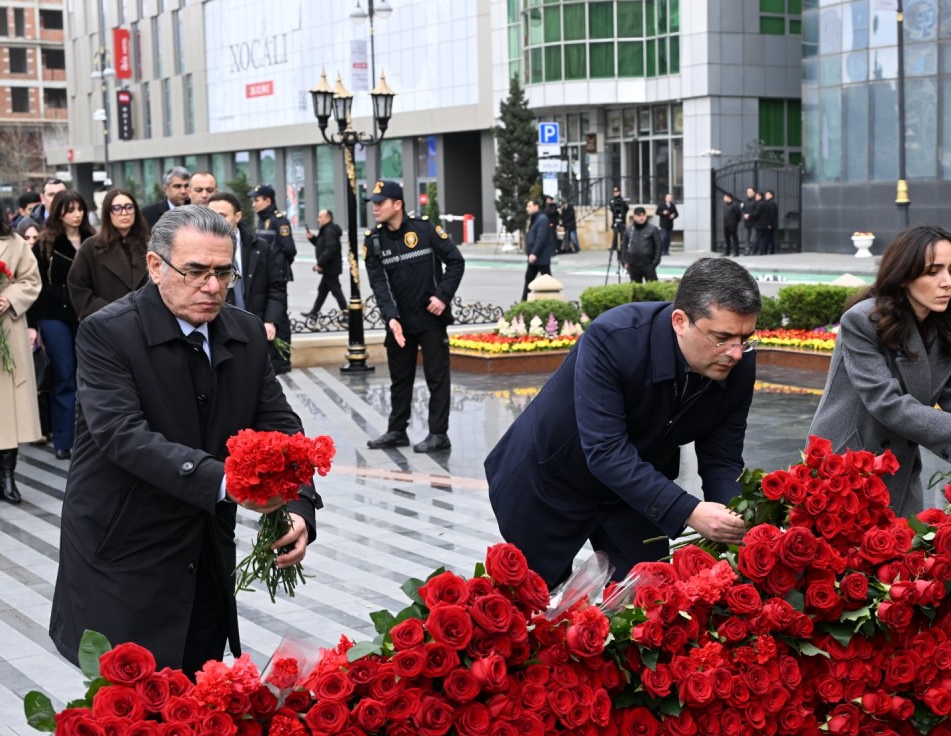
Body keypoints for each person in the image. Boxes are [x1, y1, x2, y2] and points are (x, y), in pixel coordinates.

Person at [48, 205, 321, 677]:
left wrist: (297, 504)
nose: (212, 287)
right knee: (126, 723)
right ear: (156, 266)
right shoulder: (108, 333)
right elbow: (122, 434)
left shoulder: (246, 331)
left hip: (205, 555)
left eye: (223, 272)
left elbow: (280, 424)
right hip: (125, 554)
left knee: (199, 708)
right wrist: (229, 483)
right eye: (195, 271)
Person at [485, 258, 760, 586]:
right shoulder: (614, 338)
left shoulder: (738, 363)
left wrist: (735, 521)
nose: (736, 352)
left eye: (745, 338)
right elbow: (606, 451)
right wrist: (691, 512)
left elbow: (722, 460)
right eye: (723, 337)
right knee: (538, 611)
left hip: (634, 492)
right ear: (680, 321)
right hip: (547, 483)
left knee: (651, 603)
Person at [808, 225, 951, 518]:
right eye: (933, 271)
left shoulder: (945, 324)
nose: (947, 282)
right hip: (848, 463)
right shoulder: (862, 321)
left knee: (902, 552)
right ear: (903, 275)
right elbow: (887, 403)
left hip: (900, 462)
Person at [363, 180, 465, 454]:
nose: (375, 208)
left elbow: (456, 261)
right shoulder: (373, 240)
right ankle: (397, 431)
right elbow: (379, 283)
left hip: (431, 320)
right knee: (400, 379)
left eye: (380, 203)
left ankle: (438, 434)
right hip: (400, 323)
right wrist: (390, 318)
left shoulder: (425, 229)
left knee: (437, 378)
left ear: (398, 205)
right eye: (373, 203)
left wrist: (443, 296)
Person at [0, 180, 43, 505]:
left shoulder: (12, 240)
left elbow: (31, 279)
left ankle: (7, 473)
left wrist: (9, 298)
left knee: (9, 408)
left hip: (6, 326)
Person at [29, 190, 96, 460]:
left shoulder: (93, 240)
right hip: (54, 314)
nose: (76, 214)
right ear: (58, 212)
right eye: (70, 209)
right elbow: (35, 285)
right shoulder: (45, 242)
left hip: (87, 315)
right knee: (64, 374)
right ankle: (63, 439)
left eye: (79, 208)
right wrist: (33, 324)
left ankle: (89, 437)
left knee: (89, 376)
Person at [206, 192, 290, 375]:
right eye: (211, 216)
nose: (215, 221)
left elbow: (276, 287)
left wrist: (270, 321)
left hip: (256, 331)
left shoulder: (260, 248)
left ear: (238, 216)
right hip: (220, 334)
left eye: (222, 216)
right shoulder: (201, 251)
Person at [68, 187, 151, 319]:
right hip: (107, 321)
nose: (124, 212)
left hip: (146, 320)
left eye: (129, 207)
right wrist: (110, 311)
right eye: (117, 208)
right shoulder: (91, 247)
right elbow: (78, 287)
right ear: (108, 213)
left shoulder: (150, 245)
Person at [248, 184, 297, 282]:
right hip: (262, 272)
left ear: (268, 201)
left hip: (276, 274)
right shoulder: (262, 220)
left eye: (256, 200)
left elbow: (289, 249)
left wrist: (278, 264)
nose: (253, 204)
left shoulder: (280, 221)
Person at [304, 208, 347, 317]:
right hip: (329, 267)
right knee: (322, 291)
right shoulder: (326, 230)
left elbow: (330, 249)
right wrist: (312, 238)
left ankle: (348, 315)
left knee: (336, 292)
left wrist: (320, 264)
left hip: (330, 268)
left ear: (327, 218)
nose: (318, 219)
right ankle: (314, 313)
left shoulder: (329, 231)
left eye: (320, 217)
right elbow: (321, 245)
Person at [522, 198, 553, 301]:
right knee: (529, 281)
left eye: (529, 206)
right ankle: (524, 303)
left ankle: (554, 300)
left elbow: (541, 238)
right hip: (535, 259)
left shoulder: (542, 219)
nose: (527, 208)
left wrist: (534, 253)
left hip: (540, 257)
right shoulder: (535, 219)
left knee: (548, 281)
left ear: (536, 207)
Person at [621, 206, 661, 283]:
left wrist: (654, 263)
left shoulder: (652, 229)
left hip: (648, 265)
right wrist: (624, 261)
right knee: (636, 291)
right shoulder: (629, 230)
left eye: (643, 215)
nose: (641, 217)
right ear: (634, 217)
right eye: (639, 215)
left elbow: (658, 246)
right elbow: (624, 247)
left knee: (652, 290)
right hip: (633, 266)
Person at [608, 186, 629, 253]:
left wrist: (622, 214)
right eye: (614, 192)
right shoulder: (612, 200)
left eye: (617, 192)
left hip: (622, 220)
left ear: (619, 192)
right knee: (615, 233)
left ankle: (623, 246)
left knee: (623, 234)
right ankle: (614, 246)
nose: (615, 193)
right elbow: (612, 208)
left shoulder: (622, 200)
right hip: (615, 219)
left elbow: (626, 208)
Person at [722, 192, 741, 257]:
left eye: (724, 197)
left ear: (728, 197)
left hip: (733, 224)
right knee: (727, 238)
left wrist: (736, 222)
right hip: (726, 224)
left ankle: (736, 252)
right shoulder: (725, 205)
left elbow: (738, 214)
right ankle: (727, 252)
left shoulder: (735, 204)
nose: (724, 199)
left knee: (734, 238)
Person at [760, 190, 779, 255]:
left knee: (769, 237)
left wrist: (769, 224)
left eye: (767, 194)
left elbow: (771, 214)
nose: (765, 195)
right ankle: (771, 250)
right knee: (770, 237)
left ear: (771, 195)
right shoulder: (770, 202)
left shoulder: (771, 203)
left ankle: (769, 250)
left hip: (771, 223)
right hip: (771, 223)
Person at [742, 187, 759, 255]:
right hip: (747, 222)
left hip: (755, 222)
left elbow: (757, 212)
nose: (748, 193)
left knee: (754, 237)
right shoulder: (745, 201)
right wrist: (744, 215)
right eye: (748, 192)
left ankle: (754, 250)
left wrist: (749, 215)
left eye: (750, 192)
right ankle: (747, 250)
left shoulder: (756, 201)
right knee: (747, 237)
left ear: (754, 193)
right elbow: (742, 210)